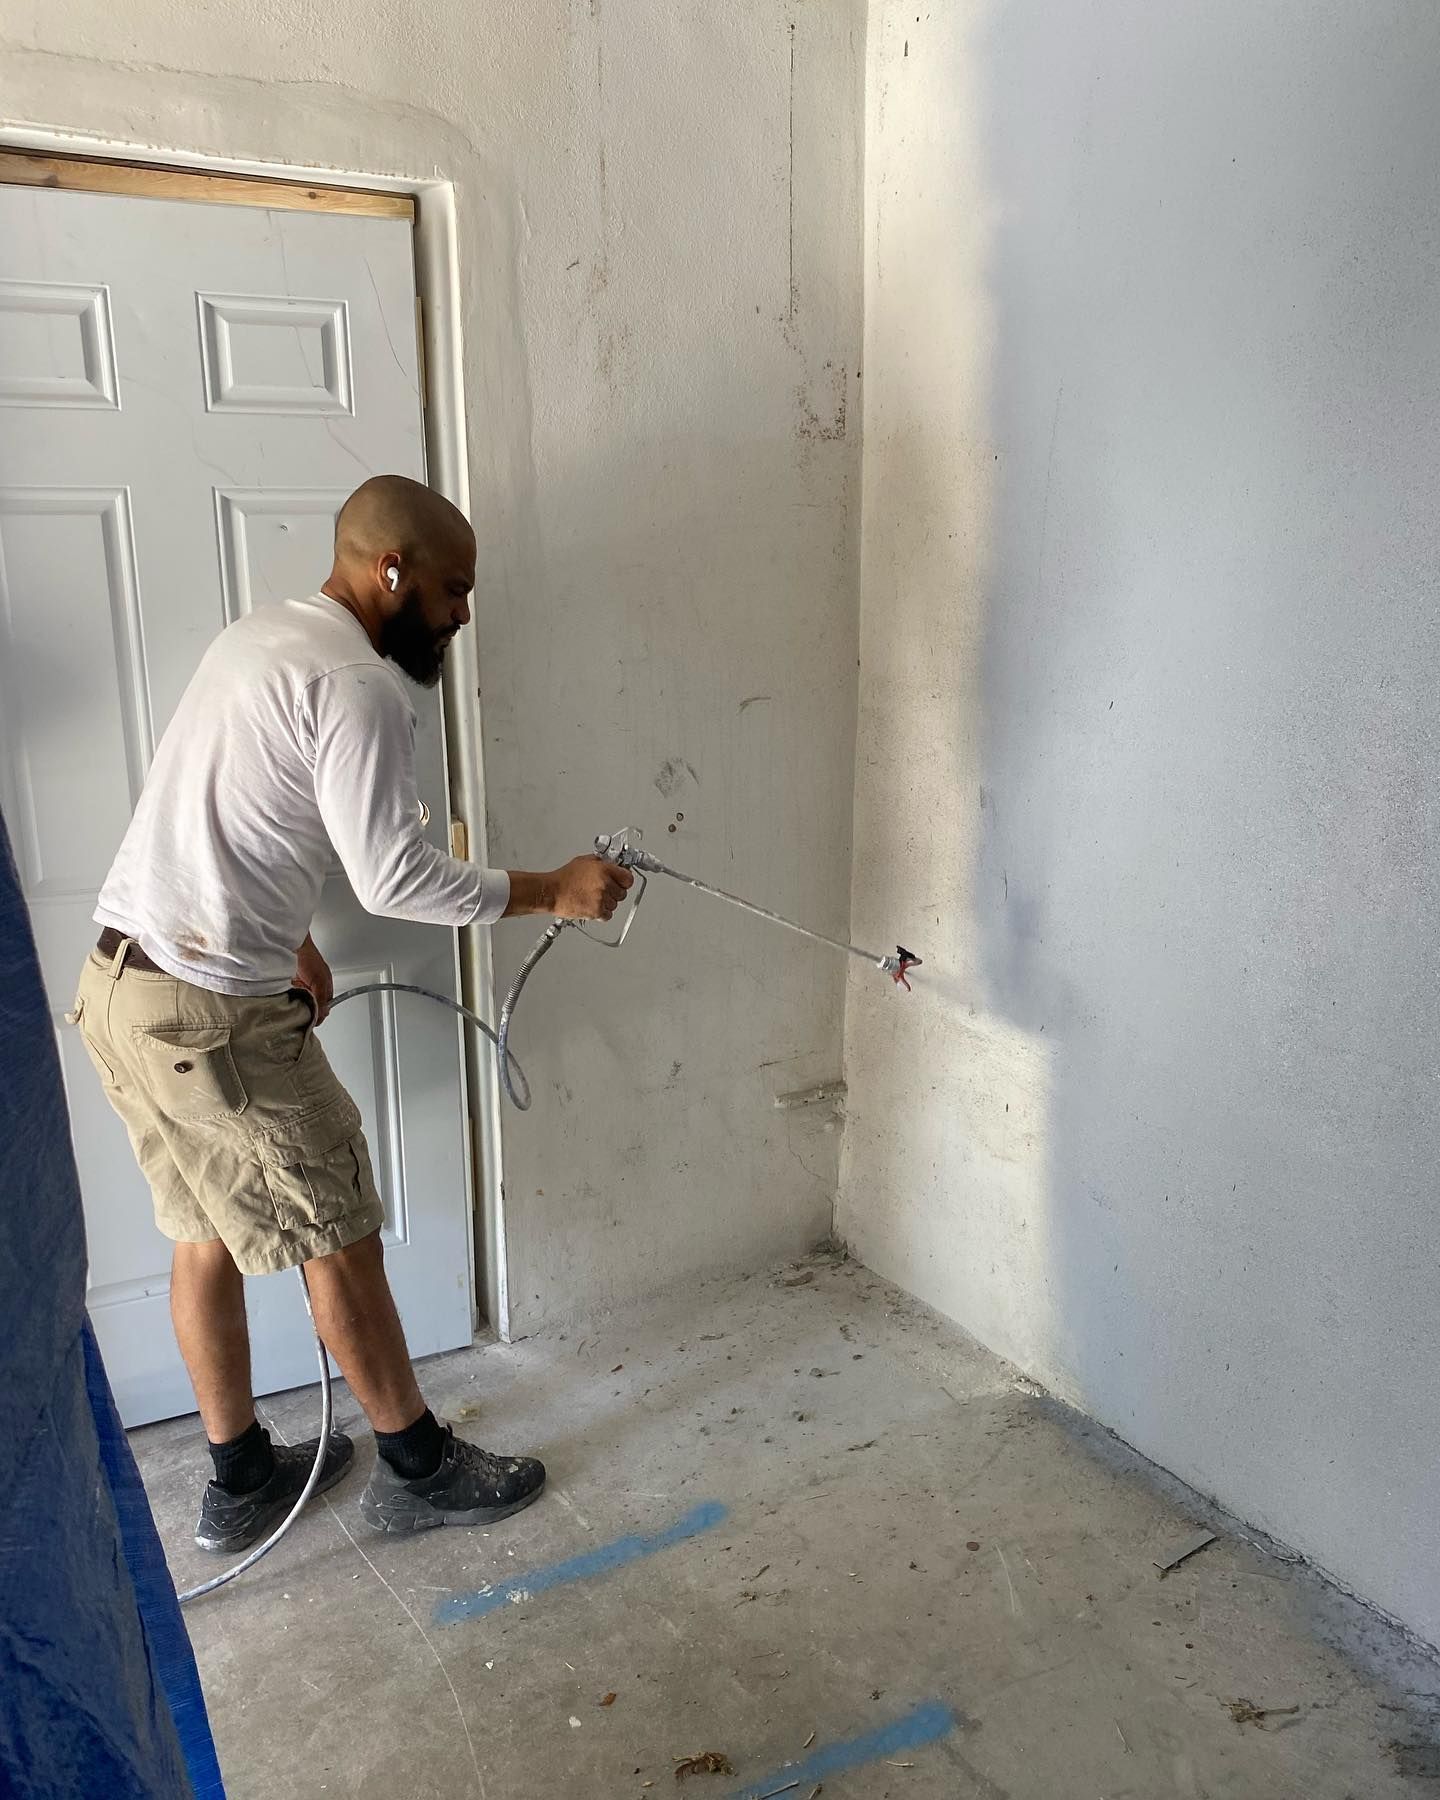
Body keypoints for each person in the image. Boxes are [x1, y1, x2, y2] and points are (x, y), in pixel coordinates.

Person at [71, 475, 633, 1553]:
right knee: (340, 1240)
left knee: (202, 1233)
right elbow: (396, 878)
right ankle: (415, 1467)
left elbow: (222, 806)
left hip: (121, 988)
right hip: (209, 1018)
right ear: (393, 572)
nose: (463, 613)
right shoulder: (361, 687)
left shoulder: (261, 640)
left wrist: (289, 933)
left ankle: (240, 1477)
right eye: (453, 588)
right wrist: (549, 889)